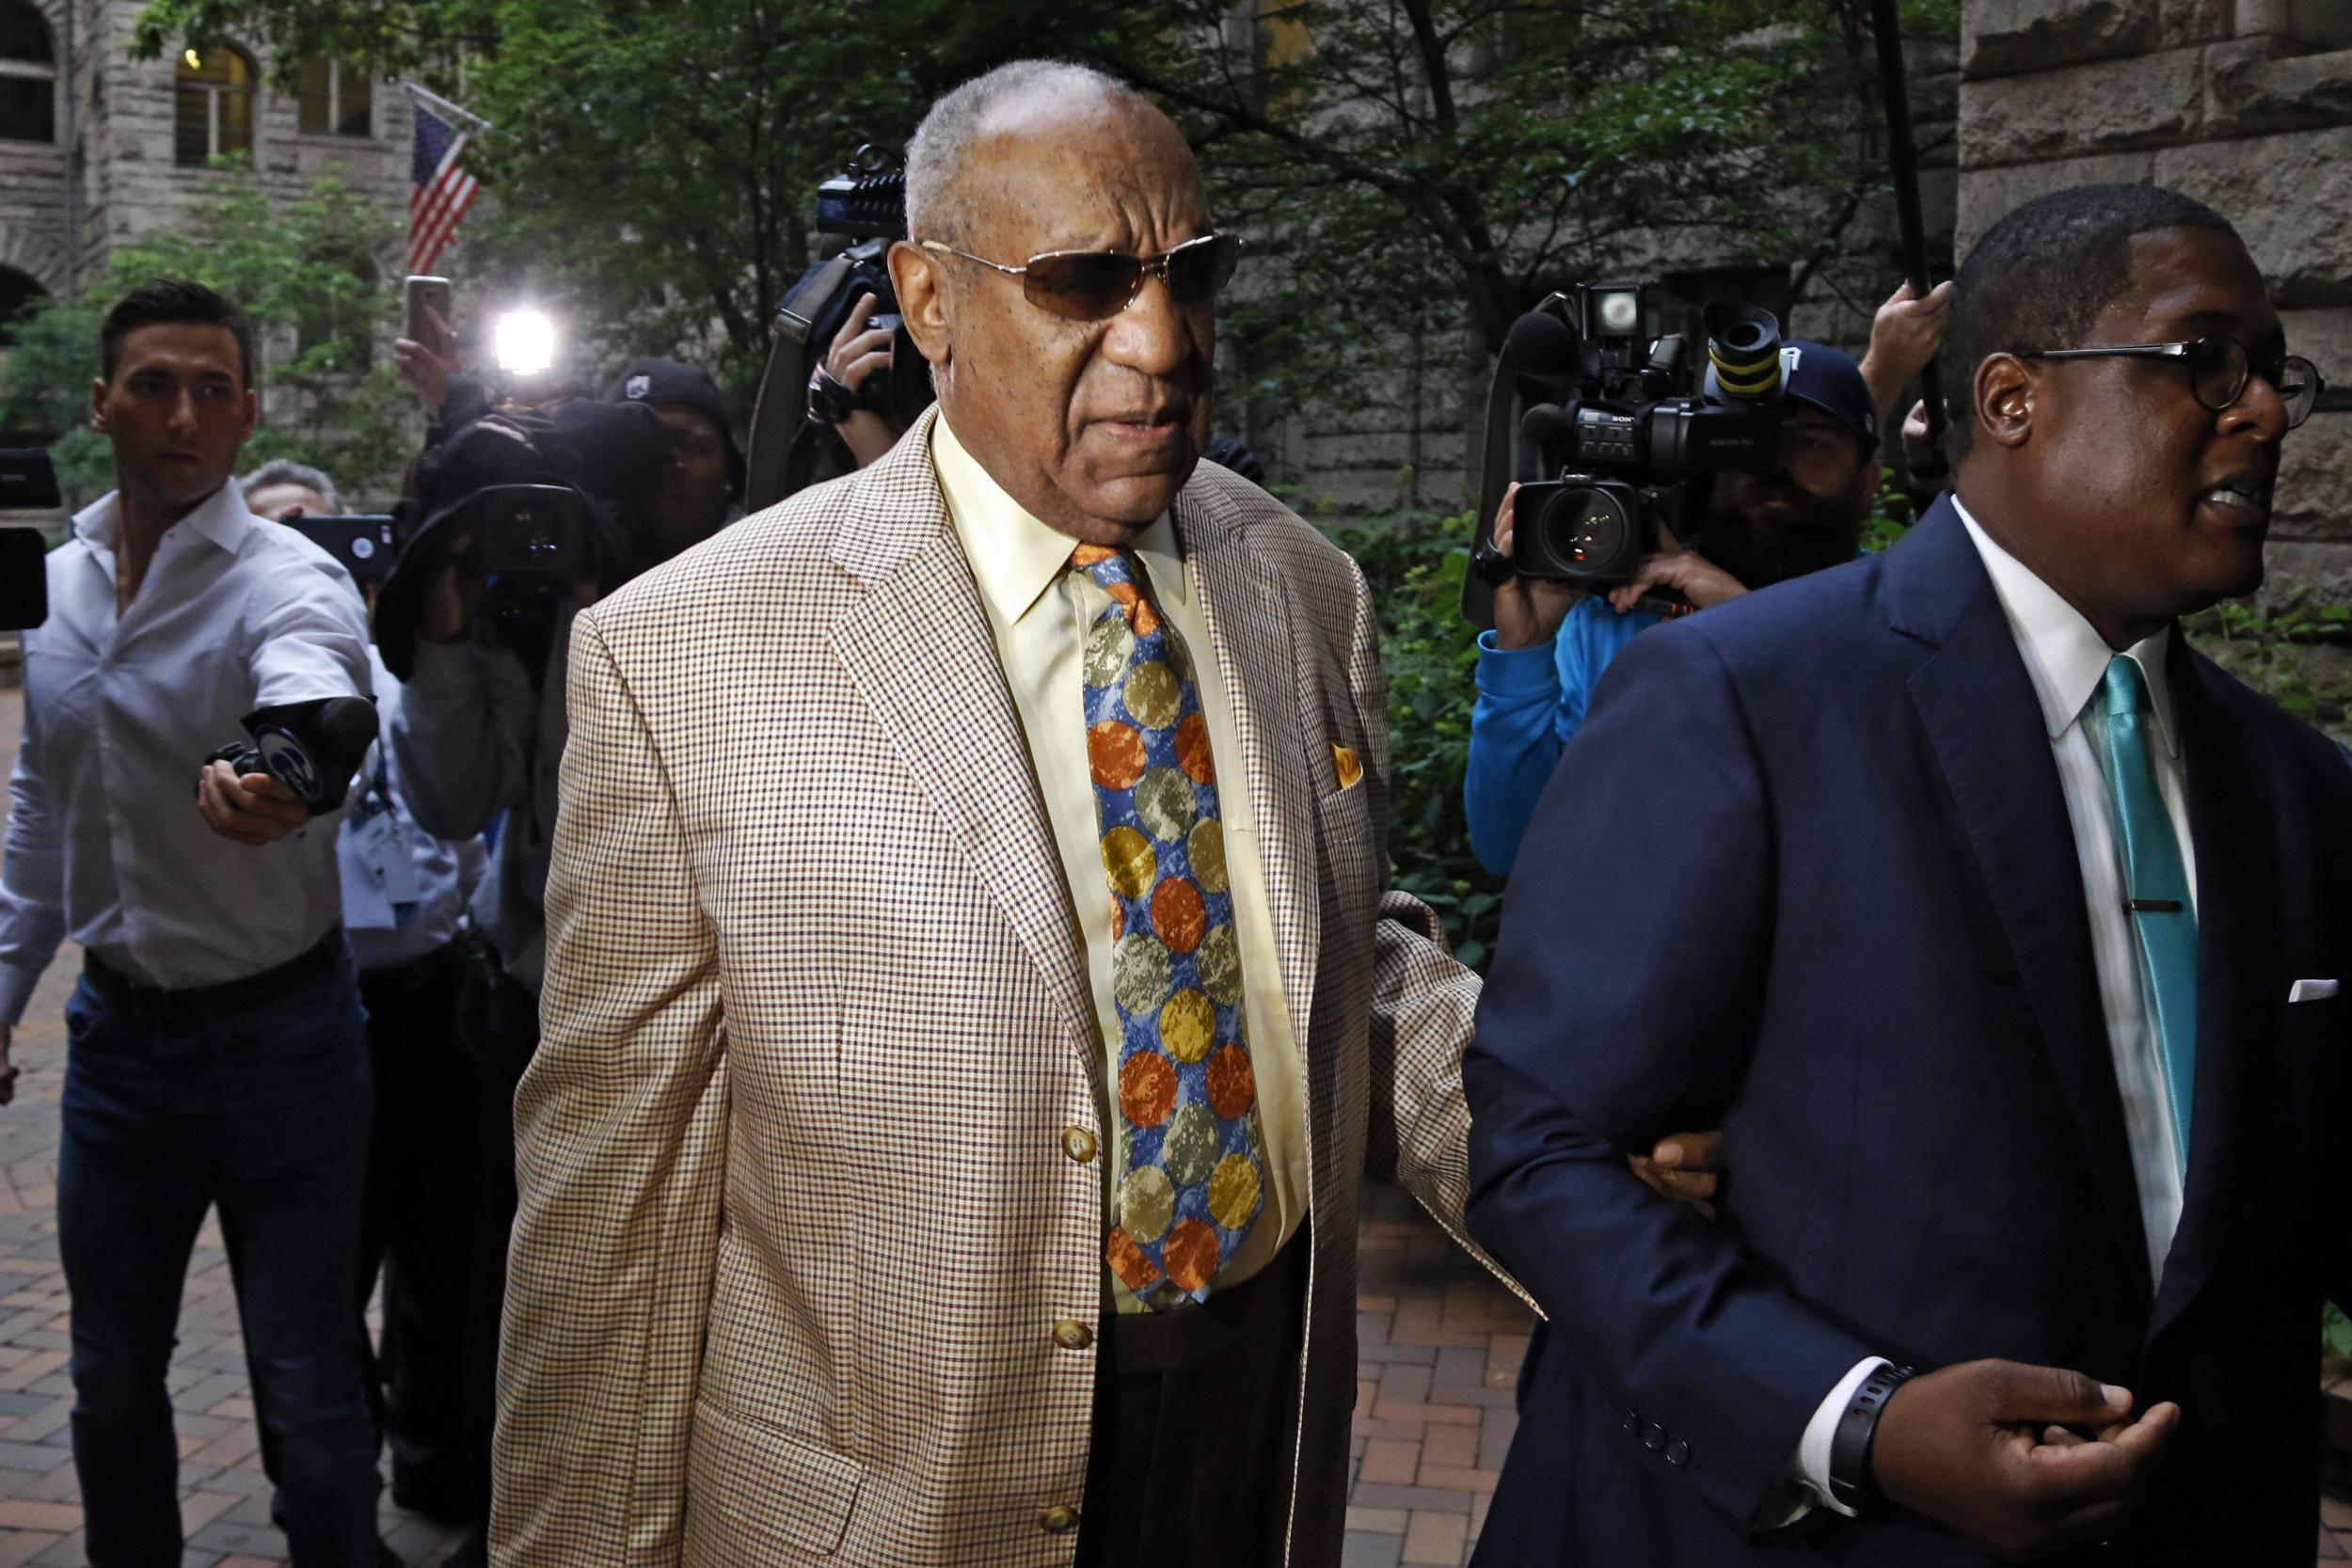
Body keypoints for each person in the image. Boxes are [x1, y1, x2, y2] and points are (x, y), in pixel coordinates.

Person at [491, 60, 1720, 1568]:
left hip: (1255, 1433)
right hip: (900, 1508)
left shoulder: (1301, 584)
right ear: (928, 300)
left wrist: (1569, 1129)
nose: (1162, 340)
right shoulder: (687, 652)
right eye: (1084, 283)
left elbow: (1341, 955)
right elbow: (615, 1215)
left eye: (1189, 275)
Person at [1463, 183, 2344, 1564]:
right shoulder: (1742, 696)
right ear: (2012, 399)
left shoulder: (2301, 788)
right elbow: (1541, 1149)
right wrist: (1856, 1419)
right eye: (2207, 361)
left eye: (2277, 373)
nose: (2268, 412)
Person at [0, 280, 381, 1563]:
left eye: (212, 390)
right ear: (100, 403)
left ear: (246, 412)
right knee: (108, 1378)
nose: (183, 416)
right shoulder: (55, 591)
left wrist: (289, 768)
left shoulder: (287, 574)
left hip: (288, 1043)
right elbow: (40, 816)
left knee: (310, 1393)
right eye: (154, 385)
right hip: (114, 1046)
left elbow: (314, 679)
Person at [388, 348, 734, 1566]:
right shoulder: (532, 594)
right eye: (644, 447)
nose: (670, 468)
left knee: (661, 1295)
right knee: (520, 1284)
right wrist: (449, 637)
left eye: (691, 443)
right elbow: (455, 801)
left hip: (694, 1015)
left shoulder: (751, 593)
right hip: (531, 999)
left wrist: (612, 612)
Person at [238, 463, 490, 1524]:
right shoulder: (250, 685)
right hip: (304, 999)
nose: (305, 553)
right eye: (277, 534)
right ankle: (322, 1487)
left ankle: (434, 1469)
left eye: (322, 529)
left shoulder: (403, 662)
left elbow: (457, 808)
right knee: (312, 1274)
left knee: (442, 1249)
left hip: (429, 998)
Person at [1464, 341, 1884, 874]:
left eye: (1811, 441)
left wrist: (1740, 620)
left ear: (1867, 482)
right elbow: (1509, 845)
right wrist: (1523, 651)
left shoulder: (1893, 609)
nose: (1773, 462)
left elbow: (1877, 813)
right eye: (1743, 438)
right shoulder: (1622, 616)